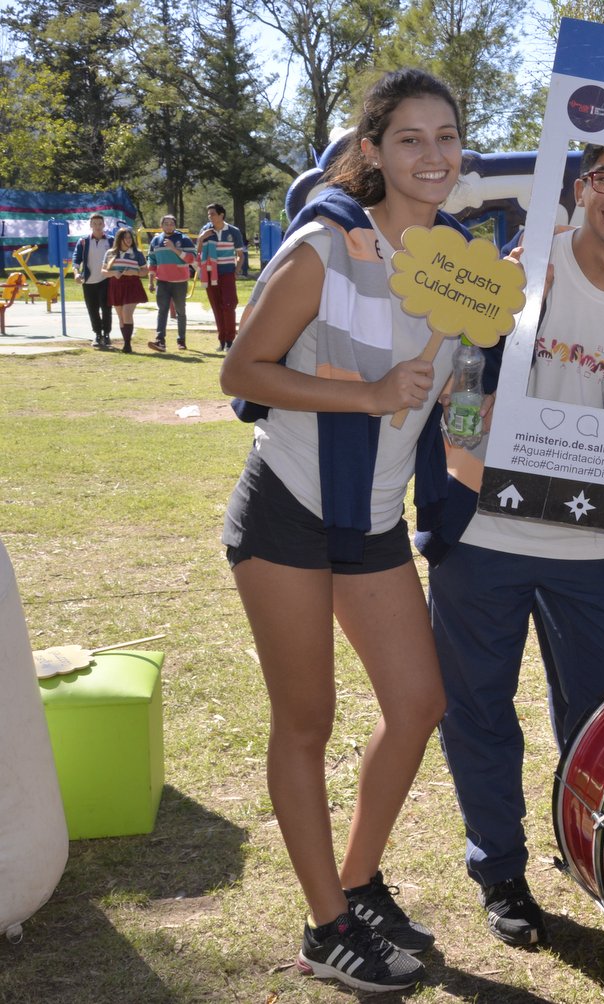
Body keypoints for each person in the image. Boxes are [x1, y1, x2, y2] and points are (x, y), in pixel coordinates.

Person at [217, 68, 472, 993]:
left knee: (417, 705)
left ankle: (356, 882)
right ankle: (328, 926)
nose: (433, 155)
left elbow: (453, 389)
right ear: (373, 151)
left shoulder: (460, 261)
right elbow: (241, 370)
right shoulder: (325, 245)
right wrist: (364, 394)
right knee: (308, 720)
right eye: (411, 139)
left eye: (447, 137)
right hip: (287, 509)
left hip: (372, 518)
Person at [424, 143, 604, 951]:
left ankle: (595, 853)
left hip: (586, 550)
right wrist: (474, 468)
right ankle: (500, 870)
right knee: (479, 713)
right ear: (581, 188)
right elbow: (462, 388)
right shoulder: (515, 273)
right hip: (483, 533)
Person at [200, 203, 246, 351]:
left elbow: (240, 255)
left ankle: (230, 341)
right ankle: (221, 341)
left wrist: (236, 271)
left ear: (221, 215)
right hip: (210, 274)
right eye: (209, 215)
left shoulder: (233, 231)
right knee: (216, 307)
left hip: (227, 274)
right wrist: (201, 238)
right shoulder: (206, 231)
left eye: (213, 214)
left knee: (228, 305)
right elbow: (198, 252)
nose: (210, 217)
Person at [147, 215, 197, 351]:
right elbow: (152, 261)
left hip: (180, 282)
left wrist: (174, 248)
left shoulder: (184, 239)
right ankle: (160, 341)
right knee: (162, 311)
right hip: (162, 282)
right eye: (166, 223)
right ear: (161, 225)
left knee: (181, 311)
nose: (169, 226)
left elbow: (192, 259)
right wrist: (151, 281)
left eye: (171, 224)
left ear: (175, 226)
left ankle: (181, 340)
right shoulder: (156, 240)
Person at [72, 213, 114, 349]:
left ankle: (107, 334)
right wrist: (76, 274)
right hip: (88, 280)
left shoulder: (111, 241)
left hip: (106, 279)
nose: (97, 226)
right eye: (94, 224)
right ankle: (97, 334)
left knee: (106, 308)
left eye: (100, 223)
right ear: (90, 225)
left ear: (104, 225)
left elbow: (118, 256)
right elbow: (76, 260)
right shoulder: (83, 241)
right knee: (92, 309)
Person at [104, 228, 148, 353]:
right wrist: (114, 273)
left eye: (130, 238)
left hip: (132, 284)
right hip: (116, 285)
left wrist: (135, 272)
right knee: (121, 316)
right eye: (126, 238)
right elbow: (103, 271)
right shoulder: (110, 253)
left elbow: (145, 270)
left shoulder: (137, 253)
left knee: (127, 312)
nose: (128, 240)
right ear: (119, 239)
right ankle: (125, 341)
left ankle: (128, 344)